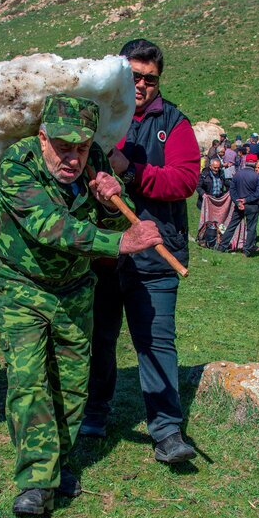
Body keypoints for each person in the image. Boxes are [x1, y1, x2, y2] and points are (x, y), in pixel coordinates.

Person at [0, 94, 160, 517]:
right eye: (63, 147)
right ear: (43, 137)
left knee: (70, 383)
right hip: (21, 286)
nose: (72, 158)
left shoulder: (96, 163)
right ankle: (36, 481)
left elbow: (120, 219)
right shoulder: (17, 163)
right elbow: (51, 227)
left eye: (80, 148)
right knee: (29, 381)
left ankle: (59, 463)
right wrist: (118, 243)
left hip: (74, 289)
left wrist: (112, 202)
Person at [84, 39, 200, 467]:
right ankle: (95, 413)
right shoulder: (98, 116)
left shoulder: (175, 123)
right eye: (134, 76)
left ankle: (167, 430)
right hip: (104, 251)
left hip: (155, 254)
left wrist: (129, 172)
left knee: (155, 343)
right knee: (100, 338)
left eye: (150, 78)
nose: (142, 85)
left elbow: (184, 180)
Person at [219, 155, 259, 256]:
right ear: (255, 164)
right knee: (251, 228)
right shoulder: (257, 177)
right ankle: (247, 250)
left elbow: (232, 190)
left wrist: (238, 202)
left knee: (232, 225)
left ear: (246, 162)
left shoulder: (238, 174)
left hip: (239, 204)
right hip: (252, 205)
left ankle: (222, 246)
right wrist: (246, 200)